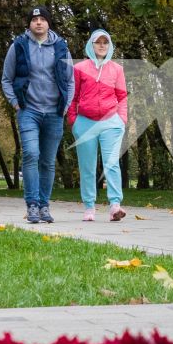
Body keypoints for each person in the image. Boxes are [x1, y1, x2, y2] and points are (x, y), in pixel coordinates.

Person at [1, 6, 74, 223]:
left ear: (49, 23)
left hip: (54, 112)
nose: (39, 23)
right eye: (34, 20)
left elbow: (70, 80)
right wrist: (15, 103)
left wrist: (65, 106)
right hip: (28, 111)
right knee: (31, 154)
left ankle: (44, 206)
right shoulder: (19, 46)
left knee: (48, 162)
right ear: (29, 24)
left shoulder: (61, 47)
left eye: (43, 19)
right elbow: (6, 78)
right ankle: (31, 204)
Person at [67, 28, 129, 221]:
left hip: (111, 122)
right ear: (91, 45)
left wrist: (122, 119)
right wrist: (74, 121)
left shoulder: (116, 69)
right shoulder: (80, 68)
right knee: (87, 165)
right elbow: (73, 97)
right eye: (98, 42)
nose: (102, 45)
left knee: (111, 164)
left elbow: (122, 96)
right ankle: (89, 207)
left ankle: (115, 206)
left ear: (109, 46)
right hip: (85, 122)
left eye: (105, 42)